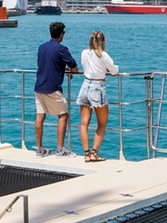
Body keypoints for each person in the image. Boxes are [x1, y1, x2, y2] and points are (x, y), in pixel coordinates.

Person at [34, 22, 79, 157]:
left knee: (40, 115)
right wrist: (68, 71)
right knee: (63, 115)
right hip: (52, 88)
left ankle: (39, 149)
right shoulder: (62, 49)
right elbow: (74, 68)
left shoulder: (41, 47)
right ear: (61, 34)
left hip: (39, 87)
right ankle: (60, 149)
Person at [76, 30, 118, 162]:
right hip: (97, 87)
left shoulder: (84, 53)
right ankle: (95, 152)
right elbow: (114, 70)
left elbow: (87, 67)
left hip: (85, 86)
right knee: (102, 123)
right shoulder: (104, 56)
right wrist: (106, 70)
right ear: (103, 42)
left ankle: (87, 154)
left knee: (84, 123)